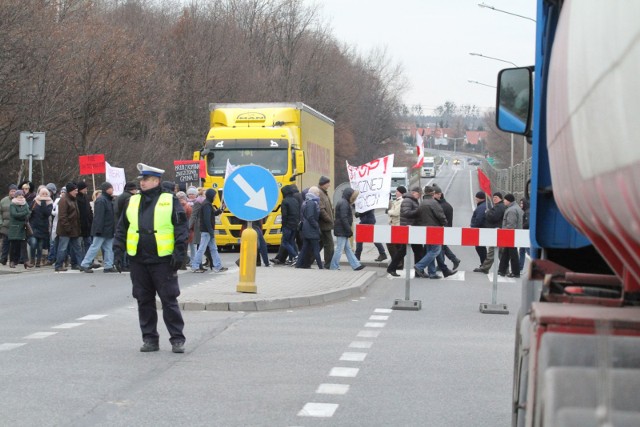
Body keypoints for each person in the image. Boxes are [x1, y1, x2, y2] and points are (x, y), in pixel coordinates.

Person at [113, 163, 188, 353]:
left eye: (145, 180)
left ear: (156, 181)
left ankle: (177, 339)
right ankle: (150, 339)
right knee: (143, 300)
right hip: (138, 260)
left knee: (169, 300)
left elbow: (181, 228)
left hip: (163, 260)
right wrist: (117, 250)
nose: (142, 183)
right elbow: (122, 228)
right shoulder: (132, 201)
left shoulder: (170, 200)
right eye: (141, 180)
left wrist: (179, 253)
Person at [80, 182, 117, 273]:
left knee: (108, 248)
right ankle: (85, 264)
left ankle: (108, 265)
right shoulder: (101, 200)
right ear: (106, 189)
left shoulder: (108, 200)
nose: (112, 189)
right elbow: (99, 217)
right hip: (102, 229)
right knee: (95, 247)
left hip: (108, 228)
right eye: (111, 188)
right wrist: (98, 229)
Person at [386, 187, 424, 277]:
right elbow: (406, 213)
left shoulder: (412, 200)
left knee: (417, 251)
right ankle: (392, 268)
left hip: (412, 229)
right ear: (414, 193)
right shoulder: (408, 201)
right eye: (419, 195)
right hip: (408, 229)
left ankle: (418, 271)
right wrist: (418, 211)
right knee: (406, 251)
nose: (419, 197)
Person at [414, 185, 447, 279]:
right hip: (434, 229)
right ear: (433, 193)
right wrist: (444, 223)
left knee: (430, 251)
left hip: (425, 230)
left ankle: (432, 273)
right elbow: (441, 215)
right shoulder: (434, 203)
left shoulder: (422, 203)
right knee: (436, 250)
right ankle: (419, 266)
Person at [191, 189, 227, 273]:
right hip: (207, 231)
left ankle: (218, 266)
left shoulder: (207, 204)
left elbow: (214, 213)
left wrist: (221, 209)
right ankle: (195, 266)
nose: (215, 197)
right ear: (211, 195)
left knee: (213, 248)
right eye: (214, 196)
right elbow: (207, 219)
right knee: (203, 248)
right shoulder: (207, 204)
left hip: (207, 231)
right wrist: (211, 231)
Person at [330, 187, 364, 270]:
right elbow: (343, 218)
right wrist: (349, 229)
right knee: (340, 249)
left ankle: (356, 265)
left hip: (342, 229)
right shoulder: (344, 203)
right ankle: (334, 266)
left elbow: (343, 218)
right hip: (342, 230)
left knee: (347, 249)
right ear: (349, 195)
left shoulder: (343, 202)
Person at [474, 192, 507, 274]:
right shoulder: (500, 206)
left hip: (496, 232)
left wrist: (487, 212)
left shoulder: (499, 207)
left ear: (500, 198)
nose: (494, 199)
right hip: (498, 232)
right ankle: (505, 269)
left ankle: (485, 268)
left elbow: (493, 217)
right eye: (493, 197)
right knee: (500, 252)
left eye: (496, 197)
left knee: (492, 251)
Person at [54, 183, 83, 272]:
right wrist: (68, 228)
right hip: (65, 230)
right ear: (70, 191)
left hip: (74, 229)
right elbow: (62, 216)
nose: (76, 192)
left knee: (78, 248)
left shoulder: (73, 200)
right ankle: (58, 265)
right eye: (75, 190)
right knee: (63, 248)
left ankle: (79, 264)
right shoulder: (64, 200)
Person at [432, 185, 460, 276]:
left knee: (440, 247)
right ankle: (453, 260)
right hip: (446, 229)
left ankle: (449, 261)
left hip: (442, 229)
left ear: (438, 195)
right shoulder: (447, 205)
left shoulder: (440, 206)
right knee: (442, 247)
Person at [295, 186, 323, 269]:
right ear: (314, 193)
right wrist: (316, 225)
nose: (319, 195)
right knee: (316, 248)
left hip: (306, 228)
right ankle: (320, 267)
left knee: (304, 248)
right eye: (318, 193)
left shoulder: (307, 201)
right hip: (311, 229)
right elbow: (310, 216)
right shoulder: (311, 202)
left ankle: (298, 265)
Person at [498, 193, 524, 278]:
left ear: (509, 200)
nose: (504, 201)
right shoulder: (516, 208)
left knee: (513, 255)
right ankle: (501, 270)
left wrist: (504, 235)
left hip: (510, 235)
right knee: (506, 253)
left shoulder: (511, 210)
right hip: (514, 235)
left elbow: (511, 225)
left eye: (505, 200)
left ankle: (515, 272)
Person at [114, 181, 137, 272]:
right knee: (127, 244)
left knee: (121, 244)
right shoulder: (130, 198)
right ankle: (125, 264)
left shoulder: (120, 196)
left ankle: (123, 263)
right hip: (125, 222)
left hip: (118, 221)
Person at [28, 186, 53, 267]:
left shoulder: (50, 203)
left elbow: (47, 213)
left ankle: (38, 261)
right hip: (34, 226)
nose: (44, 195)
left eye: (46, 193)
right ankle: (32, 260)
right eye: (43, 193)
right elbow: (29, 210)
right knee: (33, 243)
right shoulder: (35, 201)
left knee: (40, 246)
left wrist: (43, 202)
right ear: (39, 193)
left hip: (43, 227)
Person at [8, 190, 32, 269]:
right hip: (14, 228)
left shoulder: (25, 203)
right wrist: (24, 213)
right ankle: (12, 261)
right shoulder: (12, 204)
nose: (21, 196)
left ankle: (26, 261)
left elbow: (29, 213)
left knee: (23, 245)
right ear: (16, 196)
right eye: (19, 195)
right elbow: (14, 214)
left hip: (23, 227)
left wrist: (25, 214)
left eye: (22, 195)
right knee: (13, 246)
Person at [279, 184, 300, 265]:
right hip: (295, 225)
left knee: (285, 242)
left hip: (287, 225)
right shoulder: (295, 200)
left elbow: (284, 215)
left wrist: (283, 225)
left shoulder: (285, 201)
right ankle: (292, 259)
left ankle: (295, 256)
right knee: (291, 242)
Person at [317, 176, 335, 267]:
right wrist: (329, 219)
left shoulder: (324, 193)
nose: (329, 185)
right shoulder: (320, 193)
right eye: (328, 183)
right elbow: (321, 210)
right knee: (329, 245)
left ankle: (307, 260)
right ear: (323, 184)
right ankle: (328, 264)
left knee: (320, 244)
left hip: (325, 224)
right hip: (324, 224)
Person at [386, 186, 405, 266]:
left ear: (401, 192)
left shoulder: (401, 201)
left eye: (397, 191)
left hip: (397, 225)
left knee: (390, 244)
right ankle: (399, 263)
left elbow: (396, 212)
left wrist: (388, 211)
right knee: (398, 246)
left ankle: (396, 261)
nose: (395, 193)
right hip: (395, 225)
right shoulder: (397, 200)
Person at [0, 184, 18, 265]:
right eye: (11, 191)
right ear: (9, 192)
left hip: (15, 226)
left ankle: (12, 260)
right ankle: (3, 258)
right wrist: (1, 222)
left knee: (13, 244)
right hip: (5, 225)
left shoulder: (19, 200)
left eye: (14, 191)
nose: (13, 193)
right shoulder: (3, 201)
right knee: (5, 243)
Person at [76, 181, 94, 261]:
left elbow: (89, 210)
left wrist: (91, 220)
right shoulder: (76, 198)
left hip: (87, 225)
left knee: (89, 244)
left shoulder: (86, 197)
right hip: (79, 225)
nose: (86, 190)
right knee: (79, 245)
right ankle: (80, 261)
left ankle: (89, 260)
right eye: (85, 188)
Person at [470, 191, 488, 266]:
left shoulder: (481, 207)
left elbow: (479, 219)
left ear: (480, 198)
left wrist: (474, 226)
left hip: (479, 230)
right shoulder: (484, 205)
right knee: (481, 247)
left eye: (476, 198)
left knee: (480, 248)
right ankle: (484, 264)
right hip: (481, 229)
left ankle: (484, 264)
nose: (475, 199)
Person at [519, 198, 530, 274]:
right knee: (522, 250)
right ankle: (520, 268)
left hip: (526, 234)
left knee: (528, 252)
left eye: (522, 203)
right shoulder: (526, 211)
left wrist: (521, 226)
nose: (521, 205)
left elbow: (528, 223)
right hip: (525, 234)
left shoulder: (527, 212)